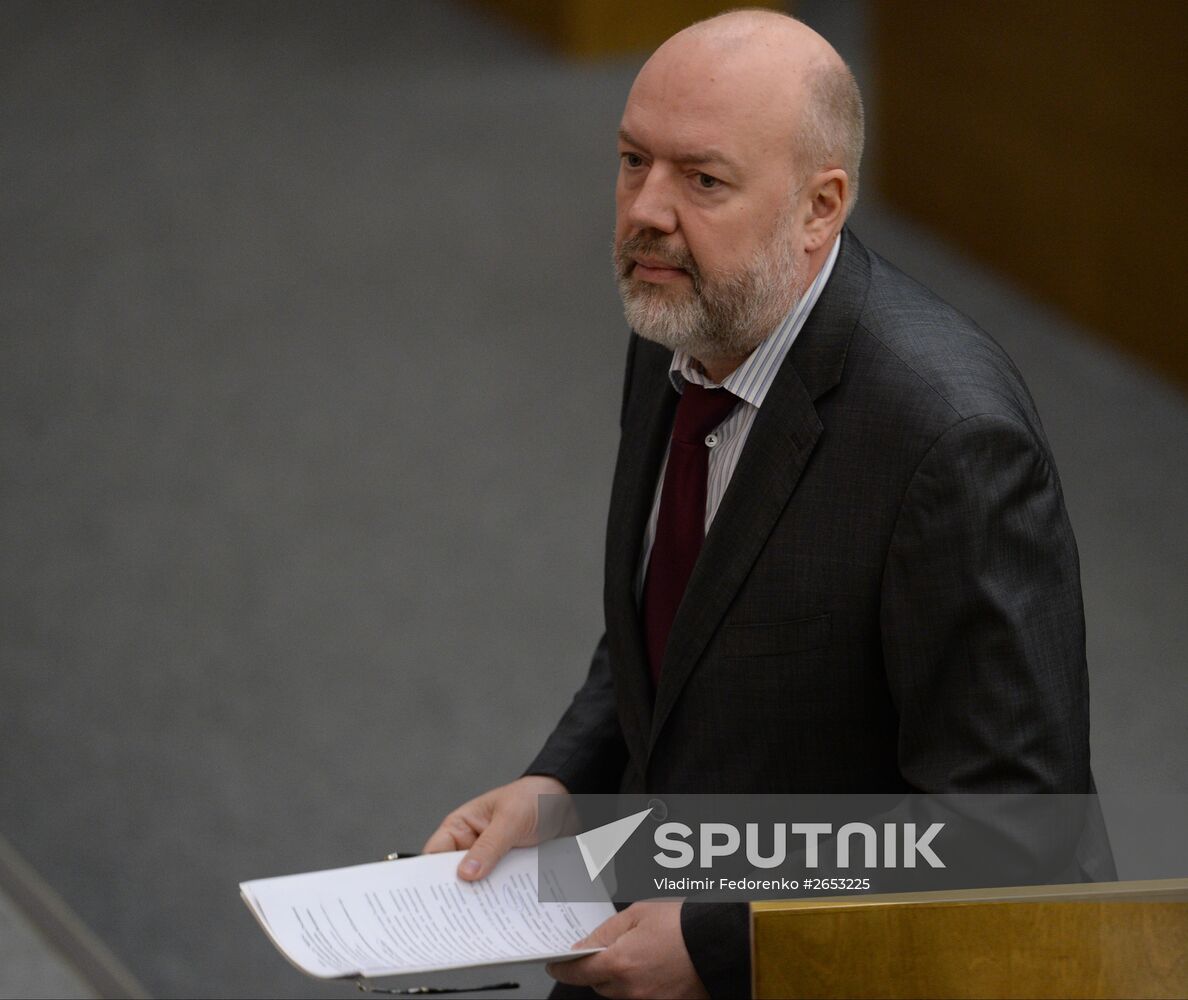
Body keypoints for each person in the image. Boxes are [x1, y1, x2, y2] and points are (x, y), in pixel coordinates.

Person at [424, 10, 1103, 998]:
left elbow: (1014, 834)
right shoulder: (678, 314)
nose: (646, 210)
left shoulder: (951, 443)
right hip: (652, 904)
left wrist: (721, 940)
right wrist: (564, 785)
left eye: (702, 179)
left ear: (821, 207)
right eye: (631, 160)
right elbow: (674, 622)